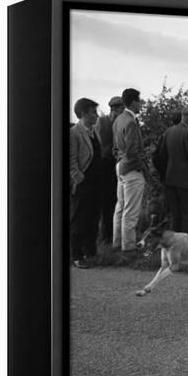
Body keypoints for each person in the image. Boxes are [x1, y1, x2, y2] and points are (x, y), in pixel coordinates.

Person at [69, 98, 103, 268]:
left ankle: (90, 252)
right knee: (79, 219)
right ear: (83, 114)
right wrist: (78, 178)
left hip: (95, 182)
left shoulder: (92, 131)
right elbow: (71, 160)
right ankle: (76, 255)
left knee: (92, 218)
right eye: (93, 112)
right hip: (83, 183)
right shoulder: (74, 132)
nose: (96, 115)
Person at [112, 88, 146, 253]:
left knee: (121, 207)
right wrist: (140, 166)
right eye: (140, 101)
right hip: (131, 167)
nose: (141, 104)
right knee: (131, 210)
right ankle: (129, 247)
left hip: (120, 165)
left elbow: (117, 146)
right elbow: (133, 151)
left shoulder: (118, 119)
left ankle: (117, 243)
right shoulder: (131, 122)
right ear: (133, 102)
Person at [161, 106, 188, 233]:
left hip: (170, 179)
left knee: (175, 215)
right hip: (185, 180)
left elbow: (162, 156)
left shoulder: (168, 132)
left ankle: (174, 245)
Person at [96, 96, 124, 244]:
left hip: (115, 164)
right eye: (119, 109)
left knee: (116, 201)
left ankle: (113, 235)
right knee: (108, 201)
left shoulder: (116, 122)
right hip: (106, 165)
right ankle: (106, 235)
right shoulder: (103, 121)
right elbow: (99, 145)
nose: (120, 111)